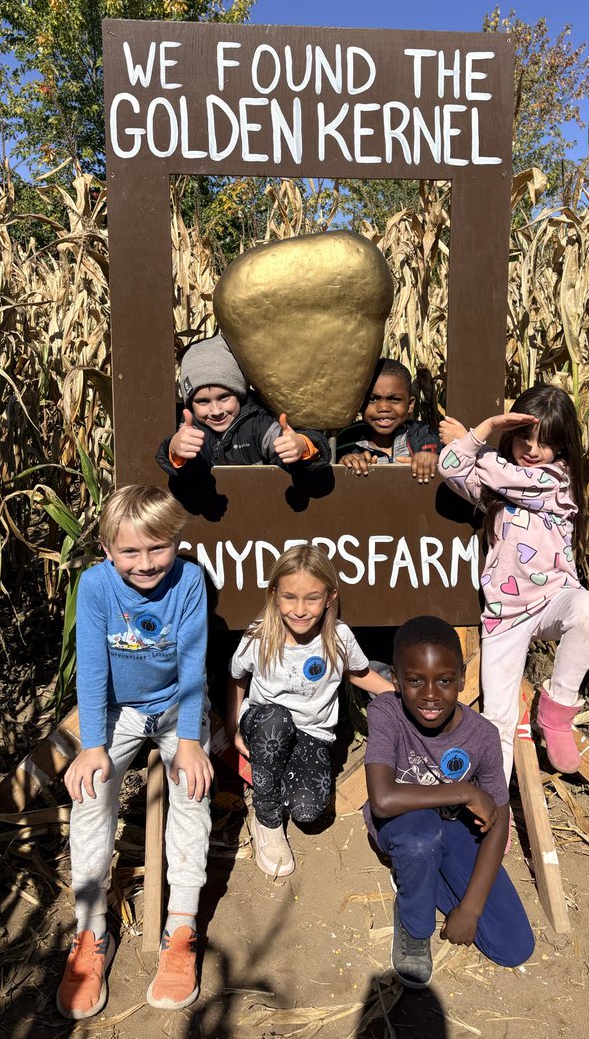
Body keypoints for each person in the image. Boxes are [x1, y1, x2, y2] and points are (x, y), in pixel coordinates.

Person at [56, 486, 212, 1019]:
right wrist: (92, 746)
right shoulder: (96, 586)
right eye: (130, 552)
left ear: (176, 542)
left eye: (158, 548)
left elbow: (193, 665)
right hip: (119, 709)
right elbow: (93, 668)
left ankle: (182, 925)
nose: (146, 564)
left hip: (176, 705)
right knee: (91, 791)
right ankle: (90, 930)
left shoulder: (190, 580)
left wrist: (189, 743)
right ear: (106, 550)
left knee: (192, 789)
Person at [437, 384, 589, 782]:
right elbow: (450, 467)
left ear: (562, 449)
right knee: (498, 717)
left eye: (546, 443)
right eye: (525, 438)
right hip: (506, 613)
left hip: (553, 598)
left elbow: (492, 470)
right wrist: (477, 436)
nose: (532, 449)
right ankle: (494, 803)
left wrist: (478, 435)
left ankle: (558, 713)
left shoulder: (555, 482)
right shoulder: (496, 489)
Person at [365, 616, 534, 988]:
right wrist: (466, 791)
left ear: (461, 679)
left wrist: (471, 909)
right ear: (395, 679)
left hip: (453, 828)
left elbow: (498, 814)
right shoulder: (385, 713)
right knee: (421, 837)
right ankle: (414, 921)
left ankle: (417, 878)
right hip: (402, 823)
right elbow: (382, 799)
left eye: (444, 680)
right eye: (414, 680)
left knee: (513, 947)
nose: (430, 694)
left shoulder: (483, 735)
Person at [226, 544, 394, 877]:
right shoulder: (260, 633)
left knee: (307, 811)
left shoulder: (338, 636)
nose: (300, 610)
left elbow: (359, 674)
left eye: (312, 598)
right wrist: (233, 725)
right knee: (276, 720)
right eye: (290, 597)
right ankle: (267, 818)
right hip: (264, 723)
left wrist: (405, 699)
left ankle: (275, 776)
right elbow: (237, 677)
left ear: (330, 597)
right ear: (275, 594)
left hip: (310, 734)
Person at [155, 333, 330, 480]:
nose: (216, 411)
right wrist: (175, 451)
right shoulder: (188, 428)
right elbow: (184, 472)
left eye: (224, 397)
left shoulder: (257, 424)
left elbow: (287, 449)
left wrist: (302, 446)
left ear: (239, 394)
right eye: (203, 401)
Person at [336, 358, 440, 484]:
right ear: (360, 403)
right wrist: (345, 464)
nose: (383, 408)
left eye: (394, 399)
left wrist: (432, 459)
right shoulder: (346, 439)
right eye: (373, 399)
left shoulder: (424, 435)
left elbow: (452, 463)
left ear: (410, 405)